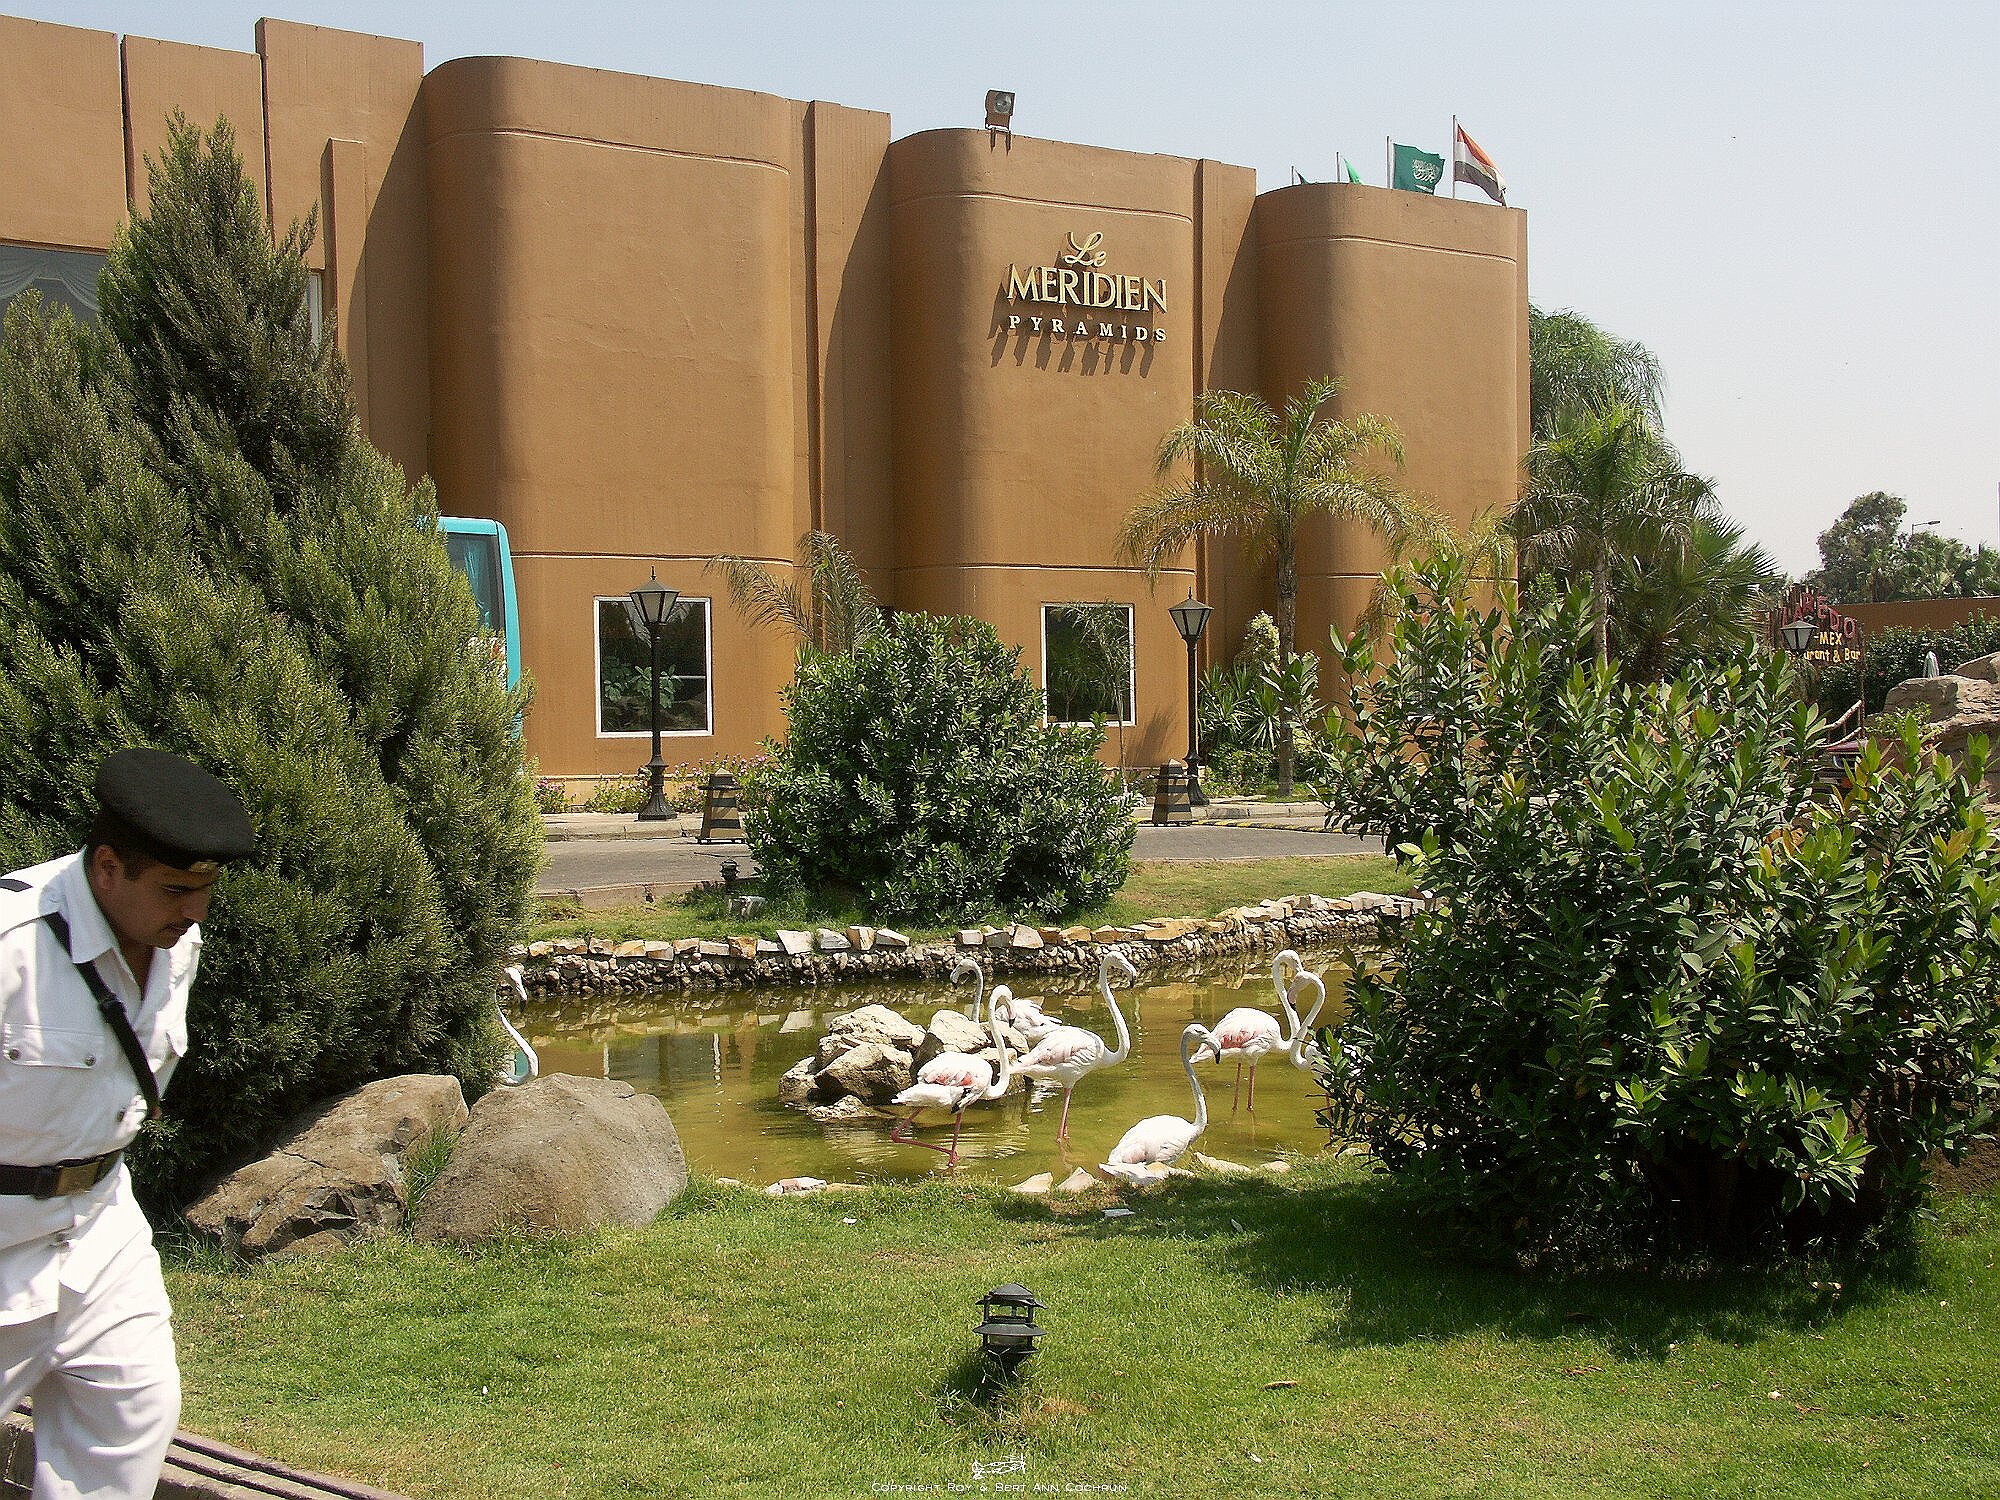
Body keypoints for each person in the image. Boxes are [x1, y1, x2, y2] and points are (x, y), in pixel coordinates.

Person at [0, 748, 253, 1498]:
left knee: (133, 1414)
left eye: (205, 890)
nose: (196, 912)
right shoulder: (12, 945)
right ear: (107, 868)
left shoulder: (176, 943)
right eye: (177, 889)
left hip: (98, 1229)